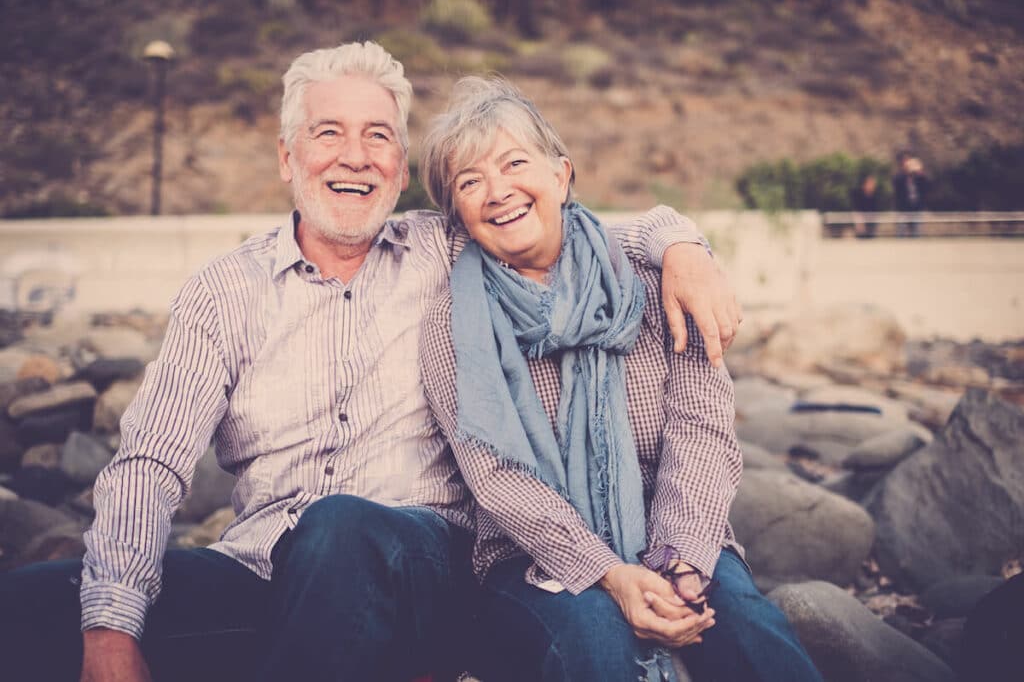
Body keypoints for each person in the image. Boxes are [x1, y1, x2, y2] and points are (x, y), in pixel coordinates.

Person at [0, 43, 740, 681]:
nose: (355, 156)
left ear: (399, 163)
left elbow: (556, 217)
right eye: (329, 133)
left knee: (340, 528)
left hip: (426, 566)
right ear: (288, 156)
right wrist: (110, 627)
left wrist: (679, 243)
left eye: (378, 135)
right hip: (265, 566)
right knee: (29, 607)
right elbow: (151, 461)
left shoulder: (445, 248)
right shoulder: (224, 291)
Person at [419, 76, 822, 682]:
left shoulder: (655, 274)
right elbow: (495, 478)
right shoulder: (455, 322)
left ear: (561, 175)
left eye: (514, 163)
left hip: (673, 532)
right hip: (532, 559)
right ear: (458, 215)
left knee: (753, 638)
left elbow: (702, 432)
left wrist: (679, 560)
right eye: (470, 182)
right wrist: (608, 573)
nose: (497, 192)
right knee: (597, 644)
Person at [892, 151, 929, 237]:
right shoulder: (899, 176)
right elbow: (896, 183)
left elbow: (926, 185)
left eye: (909, 160)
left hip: (916, 208)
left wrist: (920, 172)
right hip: (902, 209)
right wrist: (906, 172)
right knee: (900, 233)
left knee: (916, 232)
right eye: (905, 161)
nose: (907, 163)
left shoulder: (918, 176)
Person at [851, 173, 879, 238]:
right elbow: (856, 210)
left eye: (873, 184)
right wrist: (859, 222)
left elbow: (875, 211)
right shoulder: (858, 194)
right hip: (861, 222)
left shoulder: (875, 196)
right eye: (870, 183)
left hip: (871, 222)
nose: (872, 186)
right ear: (865, 184)